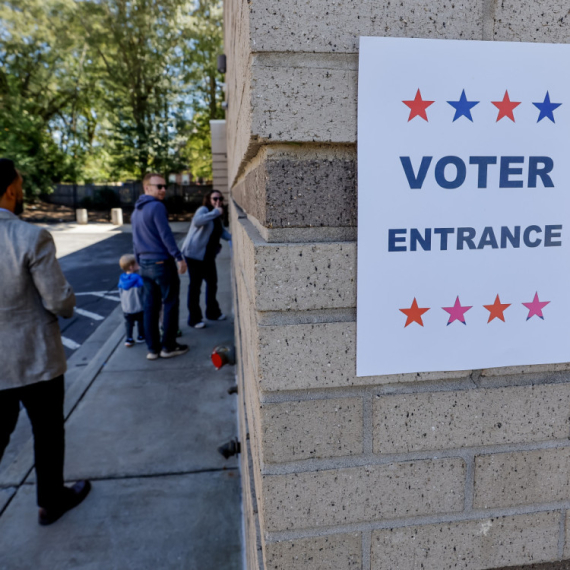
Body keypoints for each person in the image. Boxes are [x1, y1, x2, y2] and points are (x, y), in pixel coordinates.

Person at [0, 158, 91, 525]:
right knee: (48, 432)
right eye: (20, 186)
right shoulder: (29, 236)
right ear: (9, 189)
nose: (22, 193)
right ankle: (51, 500)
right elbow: (58, 300)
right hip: (37, 358)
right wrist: (68, 299)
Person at [131, 172, 188, 360]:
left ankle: (152, 349)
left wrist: (139, 261)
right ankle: (168, 347)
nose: (163, 190)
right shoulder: (156, 207)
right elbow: (166, 235)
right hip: (161, 263)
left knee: (150, 307)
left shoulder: (136, 211)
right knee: (170, 303)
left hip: (145, 265)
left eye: (165, 186)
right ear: (147, 188)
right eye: (159, 186)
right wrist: (179, 257)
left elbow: (135, 240)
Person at [181, 190, 231, 329]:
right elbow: (197, 221)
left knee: (212, 283)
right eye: (215, 198)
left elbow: (222, 232)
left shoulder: (217, 214)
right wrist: (215, 212)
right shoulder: (204, 210)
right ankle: (194, 319)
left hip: (208, 256)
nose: (218, 201)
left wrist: (233, 239)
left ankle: (212, 313)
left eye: (220, 198)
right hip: (194, 255)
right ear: (208, 199)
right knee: (195, 287)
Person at [118, 254, 145, 347]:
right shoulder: (138, 278)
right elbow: (143, 291)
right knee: (141, 321)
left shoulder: (121, 279)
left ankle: (129, 339)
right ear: (131, 267)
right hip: (139, 306)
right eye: (136, 263)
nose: (138, 264)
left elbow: (120, 292)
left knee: (129, 323)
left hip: (126, 308)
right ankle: (141, 336)